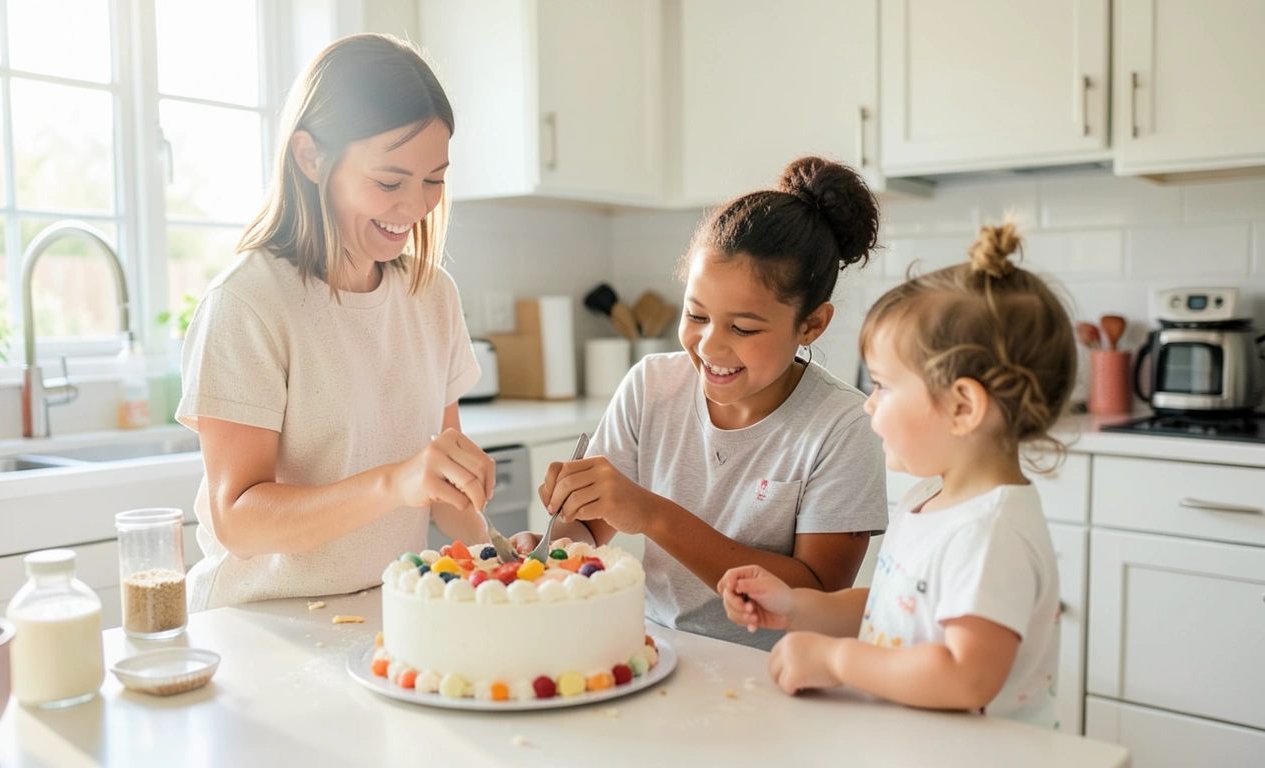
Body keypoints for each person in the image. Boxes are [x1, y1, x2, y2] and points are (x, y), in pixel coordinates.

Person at [176, 34, 494, 612]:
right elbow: (238, 521)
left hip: (378, 610)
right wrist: (395, 482)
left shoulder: (432, 297)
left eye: (434, 180)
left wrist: (499, 558)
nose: (415, 206)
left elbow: (443, 487)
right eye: (389, 181)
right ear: (310, 157)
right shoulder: (248, 303)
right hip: (259, 623)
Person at [717, 221, 1076, 729]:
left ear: (963, 406)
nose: (869, 404)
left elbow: (966, 676)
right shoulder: (929, 500)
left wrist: (837, 660)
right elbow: (895, 609)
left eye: (883, 386)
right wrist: (797, 608)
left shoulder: (990, 534)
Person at [533, 157, 888, 650]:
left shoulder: (843, 426)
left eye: (742, 328)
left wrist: (654, 515)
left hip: (774, 669)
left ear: (811, 325)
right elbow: (587, 529)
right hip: (658, 650)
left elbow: (818, 596)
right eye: (696, 315)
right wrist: (553, 548)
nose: (710, 346)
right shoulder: (651, 385)